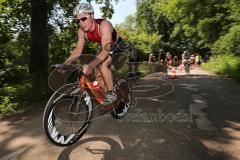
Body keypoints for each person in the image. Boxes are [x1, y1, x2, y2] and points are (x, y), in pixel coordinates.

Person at [64, 2, 121, 106]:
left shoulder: (104, 25)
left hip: (115, 46)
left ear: (92, 16)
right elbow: (78, 50)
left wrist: (91, 65)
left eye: (83, 19)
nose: (80, 23)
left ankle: (111, 93)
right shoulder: (81, 31)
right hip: (104, 46)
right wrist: (65, 64)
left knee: (101, 65)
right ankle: (105, 93)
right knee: (95, 73)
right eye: (78, 20)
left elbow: (106, 51)